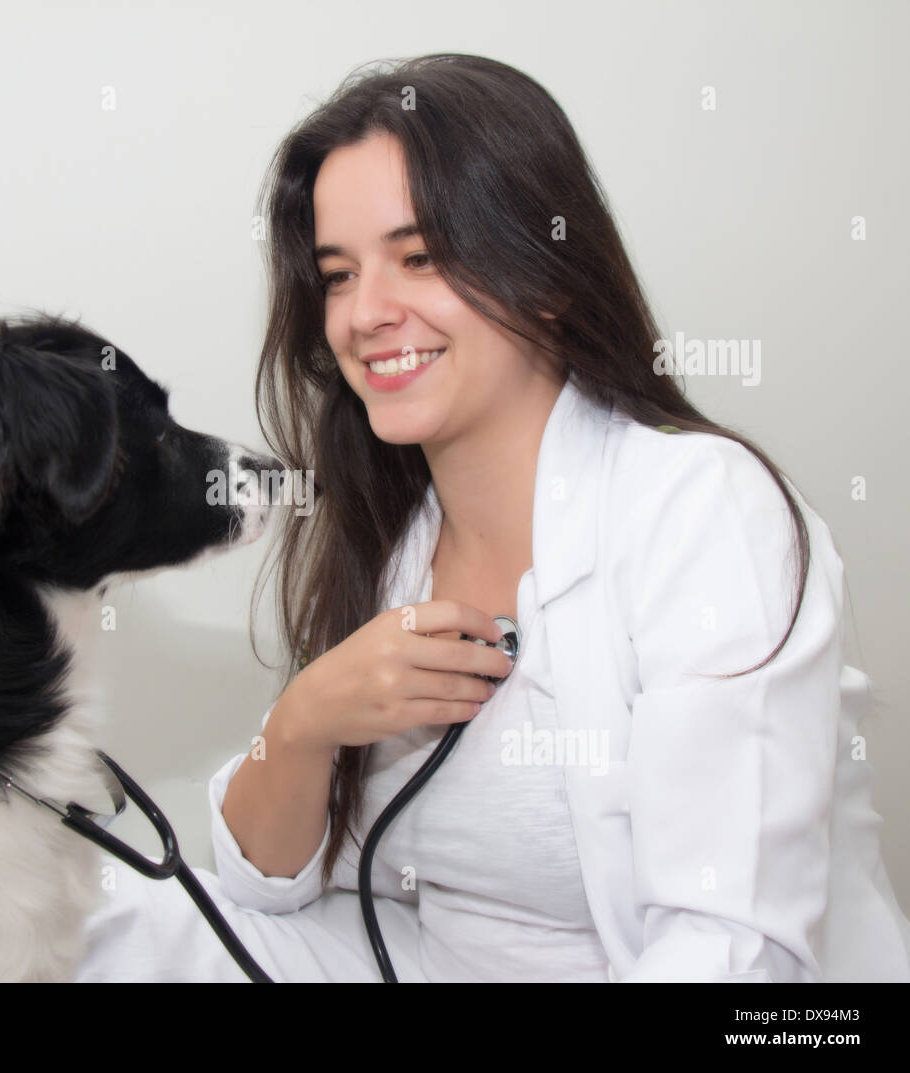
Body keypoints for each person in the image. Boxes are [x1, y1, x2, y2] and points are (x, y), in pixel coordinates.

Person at [76, 53, 910, 982]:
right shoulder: (397, 544)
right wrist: (304, 720)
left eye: (419, 257)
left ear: (546, 274)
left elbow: (735, 952)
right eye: (339, 275)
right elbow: (270, 886)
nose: (365, 314)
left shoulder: (704, 512)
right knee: (101, 922)